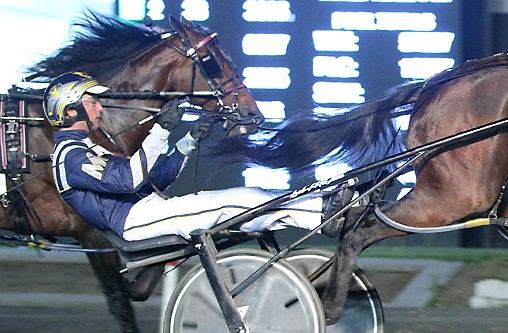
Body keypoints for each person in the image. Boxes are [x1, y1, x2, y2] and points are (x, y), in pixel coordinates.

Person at [45, 71, 344, 242]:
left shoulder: (86, 149)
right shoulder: (69, 157)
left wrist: (188, 140)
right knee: (236, 200)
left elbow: (152, 179)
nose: (100, 108)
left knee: (252, 197)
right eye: (92, 101)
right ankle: (324, 213)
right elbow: (130, 179)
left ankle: (325, 205)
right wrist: (160, 129)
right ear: (70, 110)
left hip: (150, 210)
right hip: (136, 221)